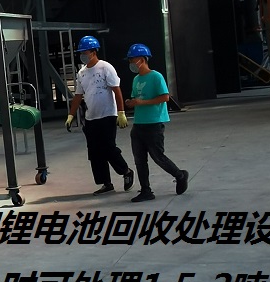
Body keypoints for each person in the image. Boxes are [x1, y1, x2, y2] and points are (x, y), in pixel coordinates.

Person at [65, 36, 134, 195]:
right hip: (91, 117)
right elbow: (78, 96)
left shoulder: (105, 67)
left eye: (85, 52)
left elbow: (116, 90)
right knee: (94, 152)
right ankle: (106, 183)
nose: (82, 55)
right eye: (81, 52)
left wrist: (121, 112)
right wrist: (71, 115)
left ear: (93, 51)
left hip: (108, 115)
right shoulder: (82, 73)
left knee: (108, 147)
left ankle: (126, 171)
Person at [124, 43, 189, 202]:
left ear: (141, 59)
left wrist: (142, 102)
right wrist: (131, 102)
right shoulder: (136, 79)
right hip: (139, 124)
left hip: (153, 123)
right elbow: (136, 98)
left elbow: (165, 97)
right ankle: (146, 190)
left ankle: (180, 175)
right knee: (139, 160)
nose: (131, 63)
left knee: (158, 156)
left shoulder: (156, 76)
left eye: (132, 59)